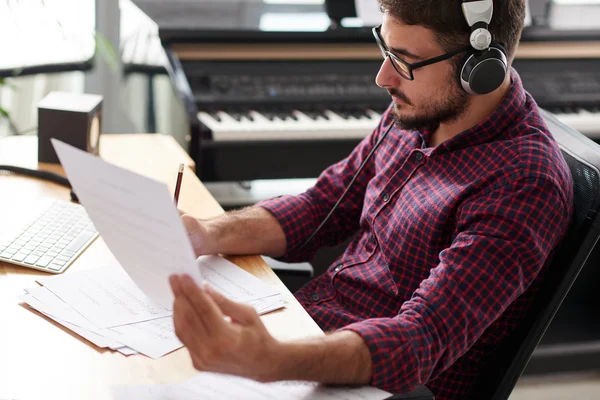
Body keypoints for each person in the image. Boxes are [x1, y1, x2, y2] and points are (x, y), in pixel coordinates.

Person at [168, 0, 574, 398]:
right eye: (386, 50)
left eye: (404, 60)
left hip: (376, 383)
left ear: (479, 70)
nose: (384, 77)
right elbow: (321, 206)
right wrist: (206, 233)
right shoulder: (417, 110)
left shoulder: (525, 181)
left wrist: (272, 359)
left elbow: (421, 338)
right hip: (308, 332)